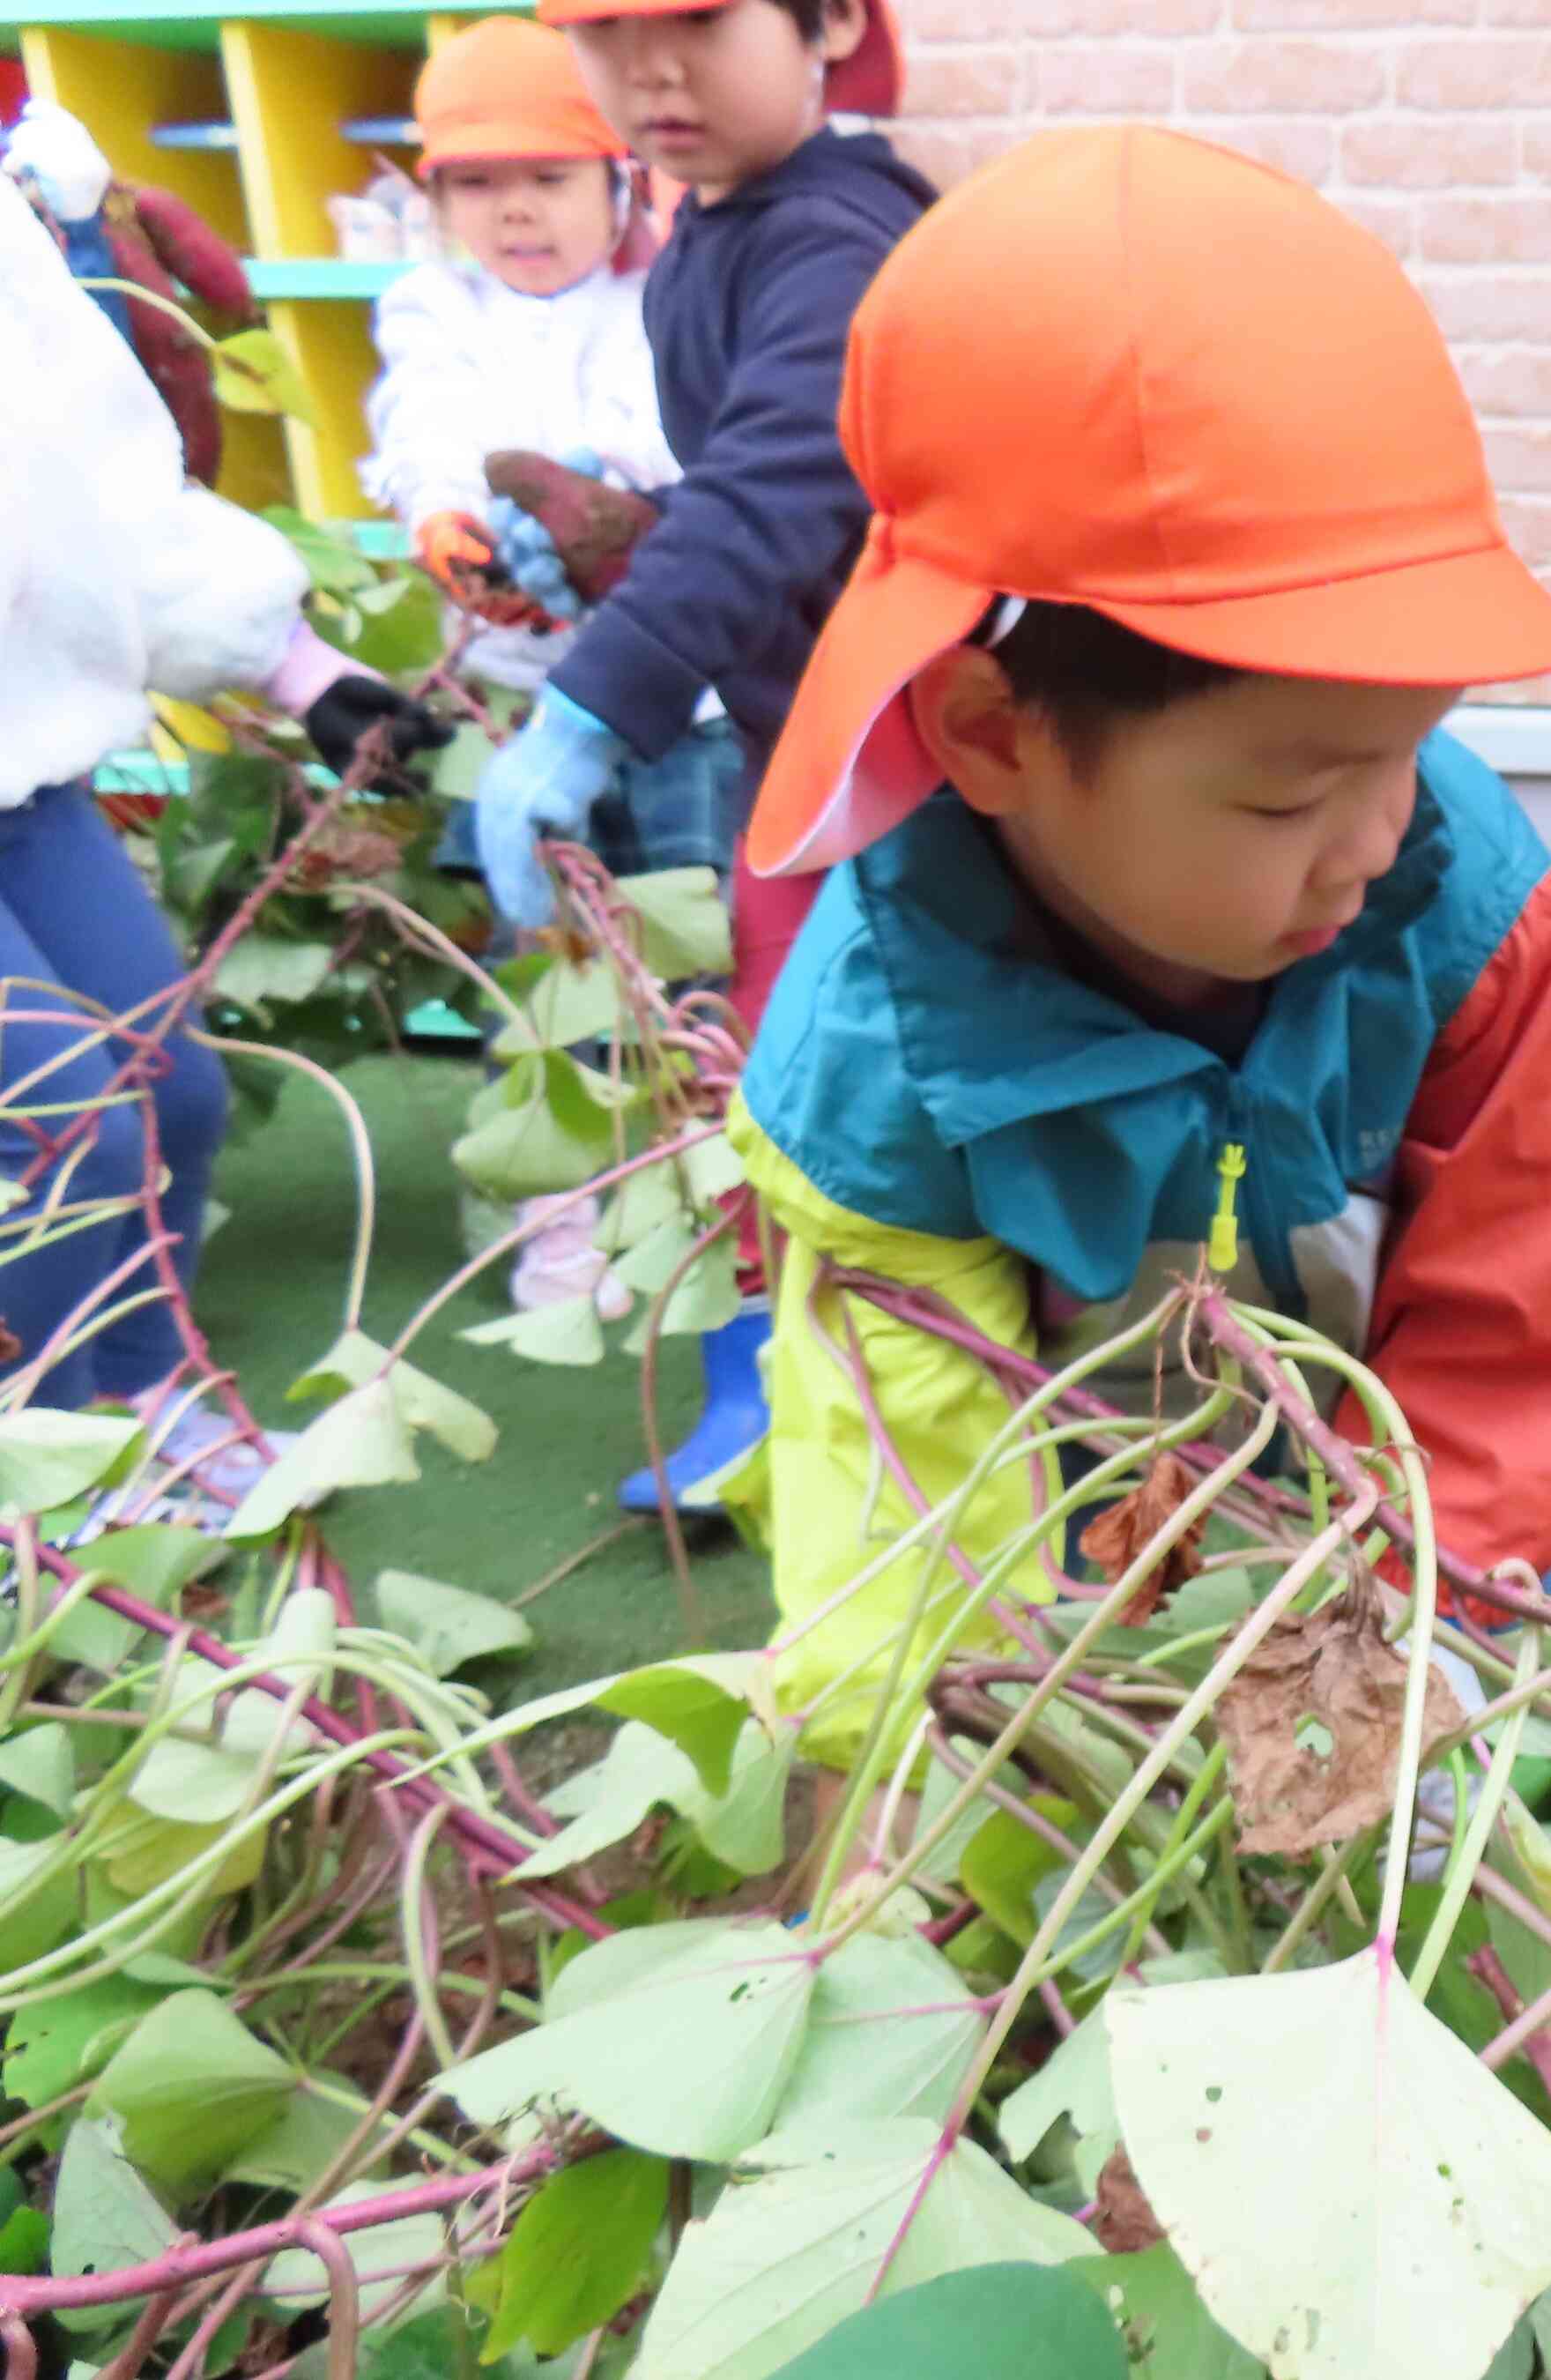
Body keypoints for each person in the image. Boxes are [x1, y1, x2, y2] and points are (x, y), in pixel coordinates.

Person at [724, 127, 1551, 1737]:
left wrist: (1383, 1657)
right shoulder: (877, 1062)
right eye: (1290, 805)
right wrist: (976, 1785)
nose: (1373, 845)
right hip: (1094, 1594)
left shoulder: (1470, 914)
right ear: (994, 734)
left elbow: (1514, 1346)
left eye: (1409, 751)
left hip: (1408, 1544)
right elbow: (913, 1537)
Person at [475, 0, 933, 1512]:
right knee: (782, 1074)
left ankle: (902, 1396)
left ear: (831, 22)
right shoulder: (720, 226)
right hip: (805, 747)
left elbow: (795, 477)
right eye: (606, 33)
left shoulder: (840, 236)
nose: (652, 71)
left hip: (918, 769)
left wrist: (590, 705)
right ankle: (786, 1371)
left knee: (860, 1087)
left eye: (697, 21)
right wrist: (623, 547)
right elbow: (749, 510)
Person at [3, 184, 443, 1511]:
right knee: (62, 1123)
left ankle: (146, 1394)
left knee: (172, 1092)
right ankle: (42, 1458)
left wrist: (299, 670)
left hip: (27, 775)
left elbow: (109, 480)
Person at [363, 16, 738, 1320]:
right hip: (525, 699)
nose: (514, 211)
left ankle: (709, 1226)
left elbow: (669, 446)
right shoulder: (432, 305)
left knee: (696, 969)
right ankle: (563, 1239)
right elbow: (428, 423)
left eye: (547, 178)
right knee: (548, 968)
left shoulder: (668, 292)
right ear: (437, 197)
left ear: (619, 178)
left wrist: (592, 487)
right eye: (476, 182)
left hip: (682, 704)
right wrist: (442, 514)